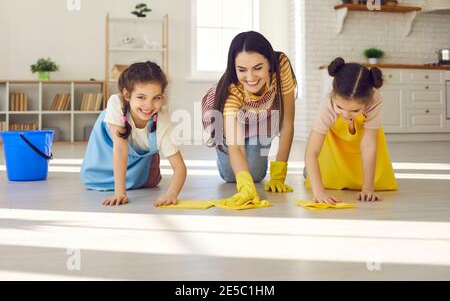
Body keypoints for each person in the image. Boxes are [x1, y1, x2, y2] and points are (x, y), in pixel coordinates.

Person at [202, 31, 297, 206]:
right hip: (226, 117)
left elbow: (287, 122)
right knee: (231, 176)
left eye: (258, 68)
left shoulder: (281, 65)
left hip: (261, 112)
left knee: (256, 173)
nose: (251, 78)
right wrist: (245, 186)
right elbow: (236, 145)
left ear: (270, 63)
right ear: (234, 67)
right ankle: (221, 147)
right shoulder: (231, 92)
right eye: (242, 70)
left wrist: (278, 175)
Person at [81, 61, 186, 207]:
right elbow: (120, 148)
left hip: (140, 156)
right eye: (141, 97)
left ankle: (146, 167)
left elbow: (179, 167)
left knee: (151, 182)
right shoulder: (116, 103)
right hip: (109, 152)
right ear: (127, 94)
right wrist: (120, 193)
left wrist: (171, 194)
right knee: (93, 180)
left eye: (156, 97)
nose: (149, 106)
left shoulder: (162, 119)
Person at [304, 57, 397, 204]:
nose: (346, 115)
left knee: (374, 182)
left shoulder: (375, 100)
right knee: (315, 173)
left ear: (367, 103)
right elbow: (311, 152)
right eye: (339, 107)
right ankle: (307, 171)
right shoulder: (327, 105)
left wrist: (368, 188)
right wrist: (319, 192)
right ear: (333, 95)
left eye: (355, 110)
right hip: (333, 155)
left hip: (358, 153)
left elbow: (368, 145)